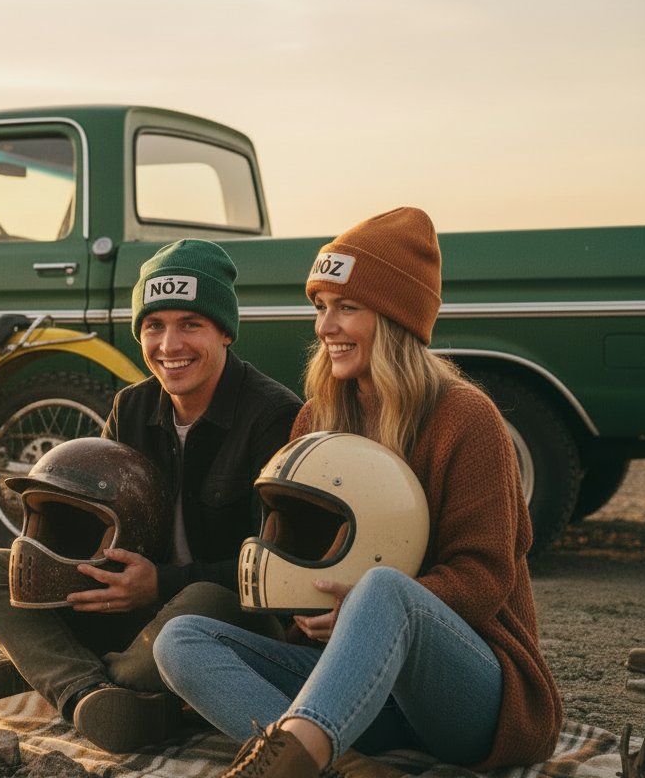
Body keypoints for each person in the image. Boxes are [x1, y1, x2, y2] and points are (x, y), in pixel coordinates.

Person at [153, 208, 563, 776]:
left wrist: (364, 609)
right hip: (357, 691)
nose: (324, 327)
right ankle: (344, 765)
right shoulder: (316, 420)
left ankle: (296, 759)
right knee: (181, 640)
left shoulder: (468, 419)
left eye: (347, 308)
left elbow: (485, 576)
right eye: (320, 308)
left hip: (469, 699)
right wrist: (308, 613)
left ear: (396, 318)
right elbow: (299, 561)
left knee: (383, 590)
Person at [0, 239, 303, 753]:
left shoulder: (274, 415)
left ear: (225, 331)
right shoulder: (130, 405)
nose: (170, 345)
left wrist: (159, 584)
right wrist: (80, 565)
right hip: (133, 613)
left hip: (222, 621)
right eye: (154, 325)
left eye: (191, 323)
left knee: (204, 602)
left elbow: (276, 570)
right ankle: (91, 691)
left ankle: (62, 677)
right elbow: (97, 524)